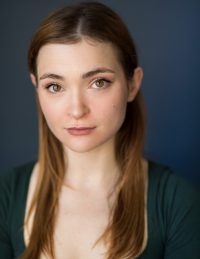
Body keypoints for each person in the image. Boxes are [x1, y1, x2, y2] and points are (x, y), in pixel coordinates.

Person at [0, 1, 199, 259]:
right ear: (36, 87)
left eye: (98, 82)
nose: (76, 110)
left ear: (132, 84)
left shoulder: (179, 203)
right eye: (54, 86)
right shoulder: (6, 196)